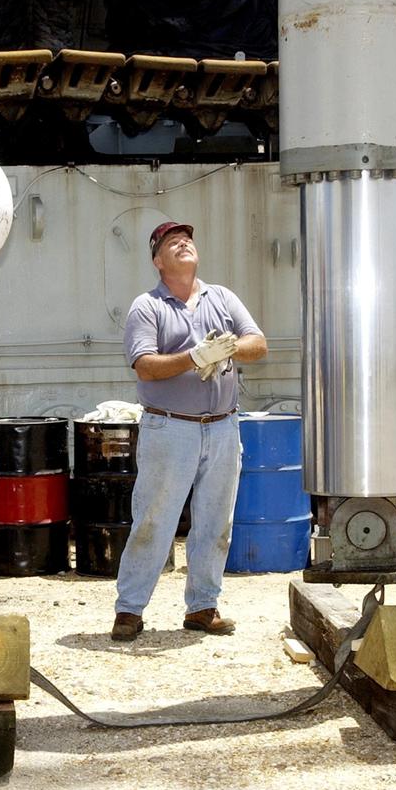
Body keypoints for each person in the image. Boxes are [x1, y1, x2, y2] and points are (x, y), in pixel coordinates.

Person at [111, 222, 267, 642]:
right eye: (170, 242)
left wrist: (228, 347)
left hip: (222, 427)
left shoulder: (222, 298)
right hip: (170, 427)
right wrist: (195, 356)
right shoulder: (147, 307)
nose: (183, 243)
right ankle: (129, 609)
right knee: (154, 521)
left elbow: (259, 344)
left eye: (187, 239)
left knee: (216, 521)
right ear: (158, 261)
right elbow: (144, 364)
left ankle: (202, 606)